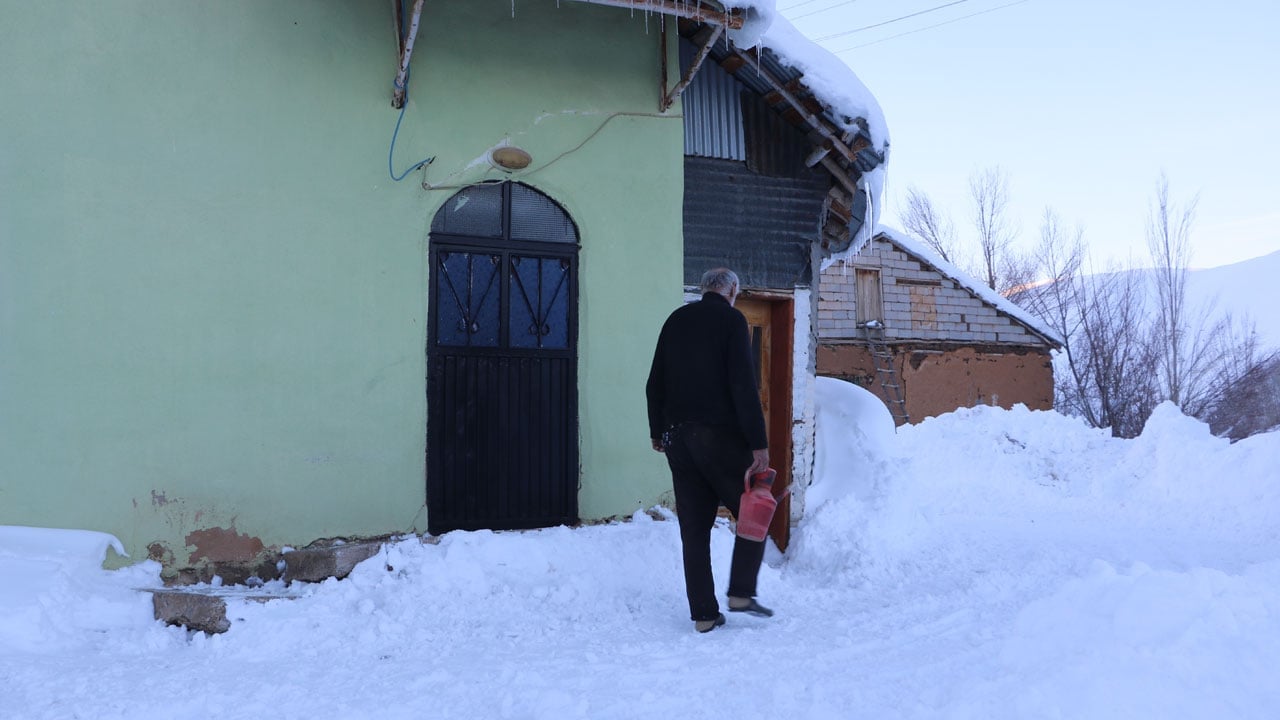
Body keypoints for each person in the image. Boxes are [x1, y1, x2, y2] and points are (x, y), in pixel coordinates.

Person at [646, 267, 776, 633]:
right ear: (732, 289)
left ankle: (704, 614)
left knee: (694, 527)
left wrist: (658, 431)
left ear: (704, 290)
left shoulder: (675, 320)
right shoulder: (731, 321)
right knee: (756, 509)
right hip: (716, 435)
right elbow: (743, 385)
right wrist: (758, 445)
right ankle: (740, 592)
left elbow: (654, 381)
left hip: (677, 439)